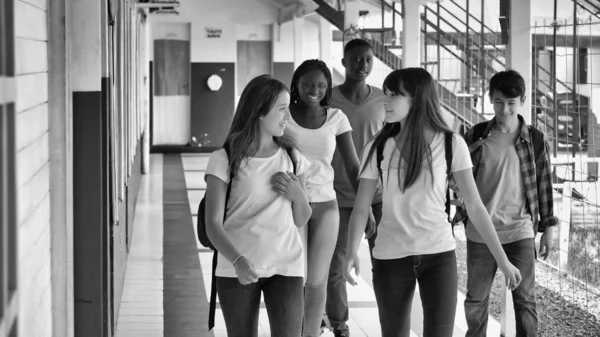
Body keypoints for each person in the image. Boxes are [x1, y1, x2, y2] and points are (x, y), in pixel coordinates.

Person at [344, 68, 522, 337]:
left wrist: (504, 260)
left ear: (416, 99)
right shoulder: (378, 146)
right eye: (386, 94)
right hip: (390, 255)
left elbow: (475, 206)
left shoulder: (452, 144)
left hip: (438, 255)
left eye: (394, 95)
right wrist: (349, 254)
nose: (385, 101)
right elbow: (361, 208)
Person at [204, 75, 312, 337]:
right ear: (260, 111)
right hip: (237, 266)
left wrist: (299, 196)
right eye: (282, 109)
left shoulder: (294, 157)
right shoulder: (224, 159)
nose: (288, 116)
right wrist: (238, 261)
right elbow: (212, 224)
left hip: (286, 264)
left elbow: (301, 218)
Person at [455, 69, 557, 337]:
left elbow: (544, 184)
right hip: (480, 231)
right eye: (499, 101)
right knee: (476, 300)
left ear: (522, 100)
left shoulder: (535, 140)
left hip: (520, 229)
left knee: (525, 300)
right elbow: (458, 181)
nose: (505, 109)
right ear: (490, 98)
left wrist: (549, 227)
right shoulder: (475, 136)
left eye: (512, 103)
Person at [285, 59, 361, 337]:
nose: (313, 90)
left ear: (328, 87)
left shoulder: (336, 118)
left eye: (320, 85)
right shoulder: (283, 114)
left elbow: (353, 166)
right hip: (291, 205)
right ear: (297, 85)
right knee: (296, 278)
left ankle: (310, 334)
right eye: (307, 84)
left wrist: (368, 209)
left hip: (327, 206)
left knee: (317, 281)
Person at [327, 38, 385, 337]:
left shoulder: (382, 100)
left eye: (368, 59)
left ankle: (390, 323)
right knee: (335, 266)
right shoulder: (328, 99)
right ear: (344, 62)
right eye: (357, 59)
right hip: (338, 196)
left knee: (386, 265)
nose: (363, 65)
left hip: (377, 196)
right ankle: (339, 325)